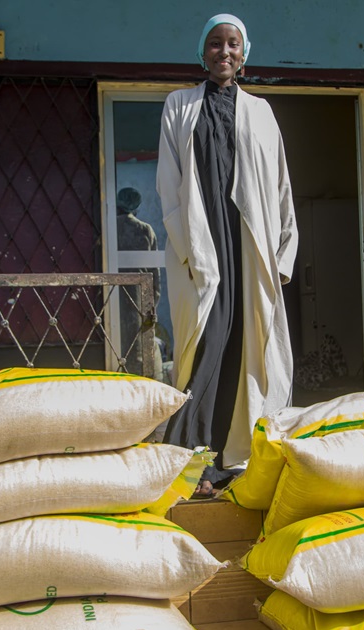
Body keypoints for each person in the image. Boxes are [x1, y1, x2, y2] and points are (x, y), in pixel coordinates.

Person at [156, 14, 298, 497]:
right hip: (203, 246)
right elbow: (169, 188)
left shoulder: (261, 112)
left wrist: (282, 256)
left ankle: (234, 459)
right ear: (203, 53)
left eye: (232, 44)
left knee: (245, 343)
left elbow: (280, 188)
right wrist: (187, 250)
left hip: (248, 245)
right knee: (207, 342)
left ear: (244, 53)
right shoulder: (179, 105)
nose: (224, 51)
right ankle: (190, 457)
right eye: (215, 44)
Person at [116, 187, 162, 379]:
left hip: (113, 295)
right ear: (137, 207)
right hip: (138, 297)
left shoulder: (108, 227)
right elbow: (154, 275)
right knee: (137, 351)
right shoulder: (145, 230)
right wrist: (152, 305)